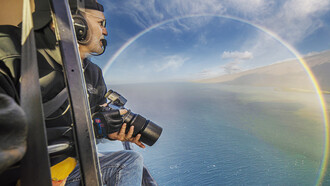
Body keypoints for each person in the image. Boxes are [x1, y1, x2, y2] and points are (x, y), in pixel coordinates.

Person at [0, 0, 148, 185]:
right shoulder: (8, 52)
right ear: (75, 23)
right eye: (101, 23)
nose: (106, 32)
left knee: (130, 160)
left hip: (69, 167)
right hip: (23, 174)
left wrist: (107, 131)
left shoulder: (92, 73)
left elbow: (96, 117)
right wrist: (87, 130)